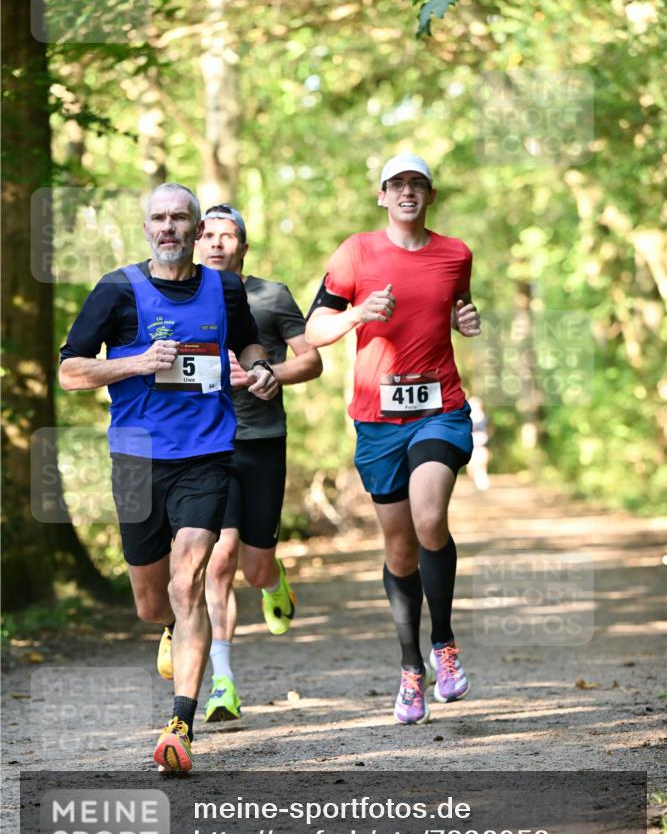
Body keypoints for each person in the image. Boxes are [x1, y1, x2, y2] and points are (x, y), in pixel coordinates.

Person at [59, 182, 278, 772]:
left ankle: (180, 721)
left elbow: (249, 342)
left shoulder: (223, 287)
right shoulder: (115, 290)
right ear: (146, 226)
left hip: (206, 454)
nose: (170, 228)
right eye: (159, 218)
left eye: (181, 219)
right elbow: (70, 372)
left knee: (189, 583)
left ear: (197, 231)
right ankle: (172, 629)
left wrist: (260, 370)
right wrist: (136, 362)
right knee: (152, 601)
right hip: (135, 459)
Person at [305, 155, 481, 726]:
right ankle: (411, 670)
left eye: (417, 184)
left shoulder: (455, 253)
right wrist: (356, 313)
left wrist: (465, 320)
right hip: (377, 421)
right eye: (397, 184)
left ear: (430, 195)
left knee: (431, 515)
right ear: (382, 195)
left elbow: (453, 307)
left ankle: (445, 646)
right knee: (400, 549)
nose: (407, 192)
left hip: (441, 409)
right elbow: (313, 333)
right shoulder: (355, 252)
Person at [196, 204, 322, 723]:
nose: (218, 243)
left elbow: (312, 359)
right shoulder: (177, 300)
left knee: (253, 566)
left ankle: (273, 582)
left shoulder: (270, 296)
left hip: (262, 439)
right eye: (209, 235)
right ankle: (222, 683)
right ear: (196, 244)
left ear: (244, 248)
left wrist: (270, 374)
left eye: (229, 236)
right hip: (203, 443)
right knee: (218, 556)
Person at [468, 395, 491, 491]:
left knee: (482, 461)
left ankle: (482, 479)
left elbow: (487, 429)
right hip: (471, 442)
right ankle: (474, 480)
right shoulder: (468, 417)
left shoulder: (484, 416)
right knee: (471, 463)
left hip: (481, 443)